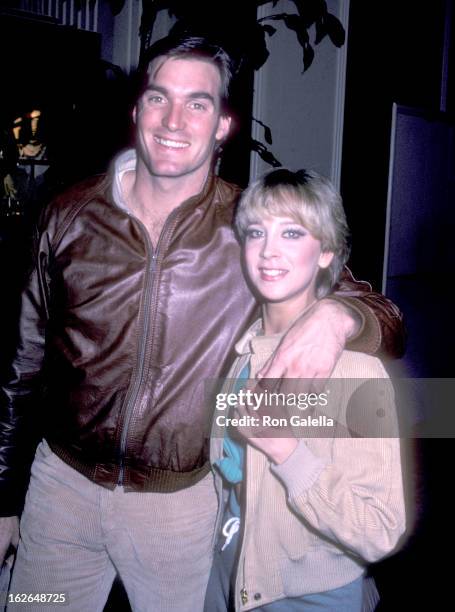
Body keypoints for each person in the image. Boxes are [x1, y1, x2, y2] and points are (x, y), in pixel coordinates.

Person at [0, 34, 404, 612]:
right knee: (37, 603)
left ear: (222, 125)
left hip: (182, 508)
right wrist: (3, 498)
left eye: (198, 103)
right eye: (160, 98)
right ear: (137, 110)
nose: (173, 119)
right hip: (61, 488)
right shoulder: (67, 216)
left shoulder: (250, 228)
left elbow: (386, 316)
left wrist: (338, 317)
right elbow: (21, 366)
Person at [205, 168, 406, 612]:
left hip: (308, 596)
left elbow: (379, 530)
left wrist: (286, 452)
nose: (268, 251)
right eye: (256, 232)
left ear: (326, 252)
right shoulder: (244, 355)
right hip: (228, 574)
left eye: (292, 233)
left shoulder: (359, 372)